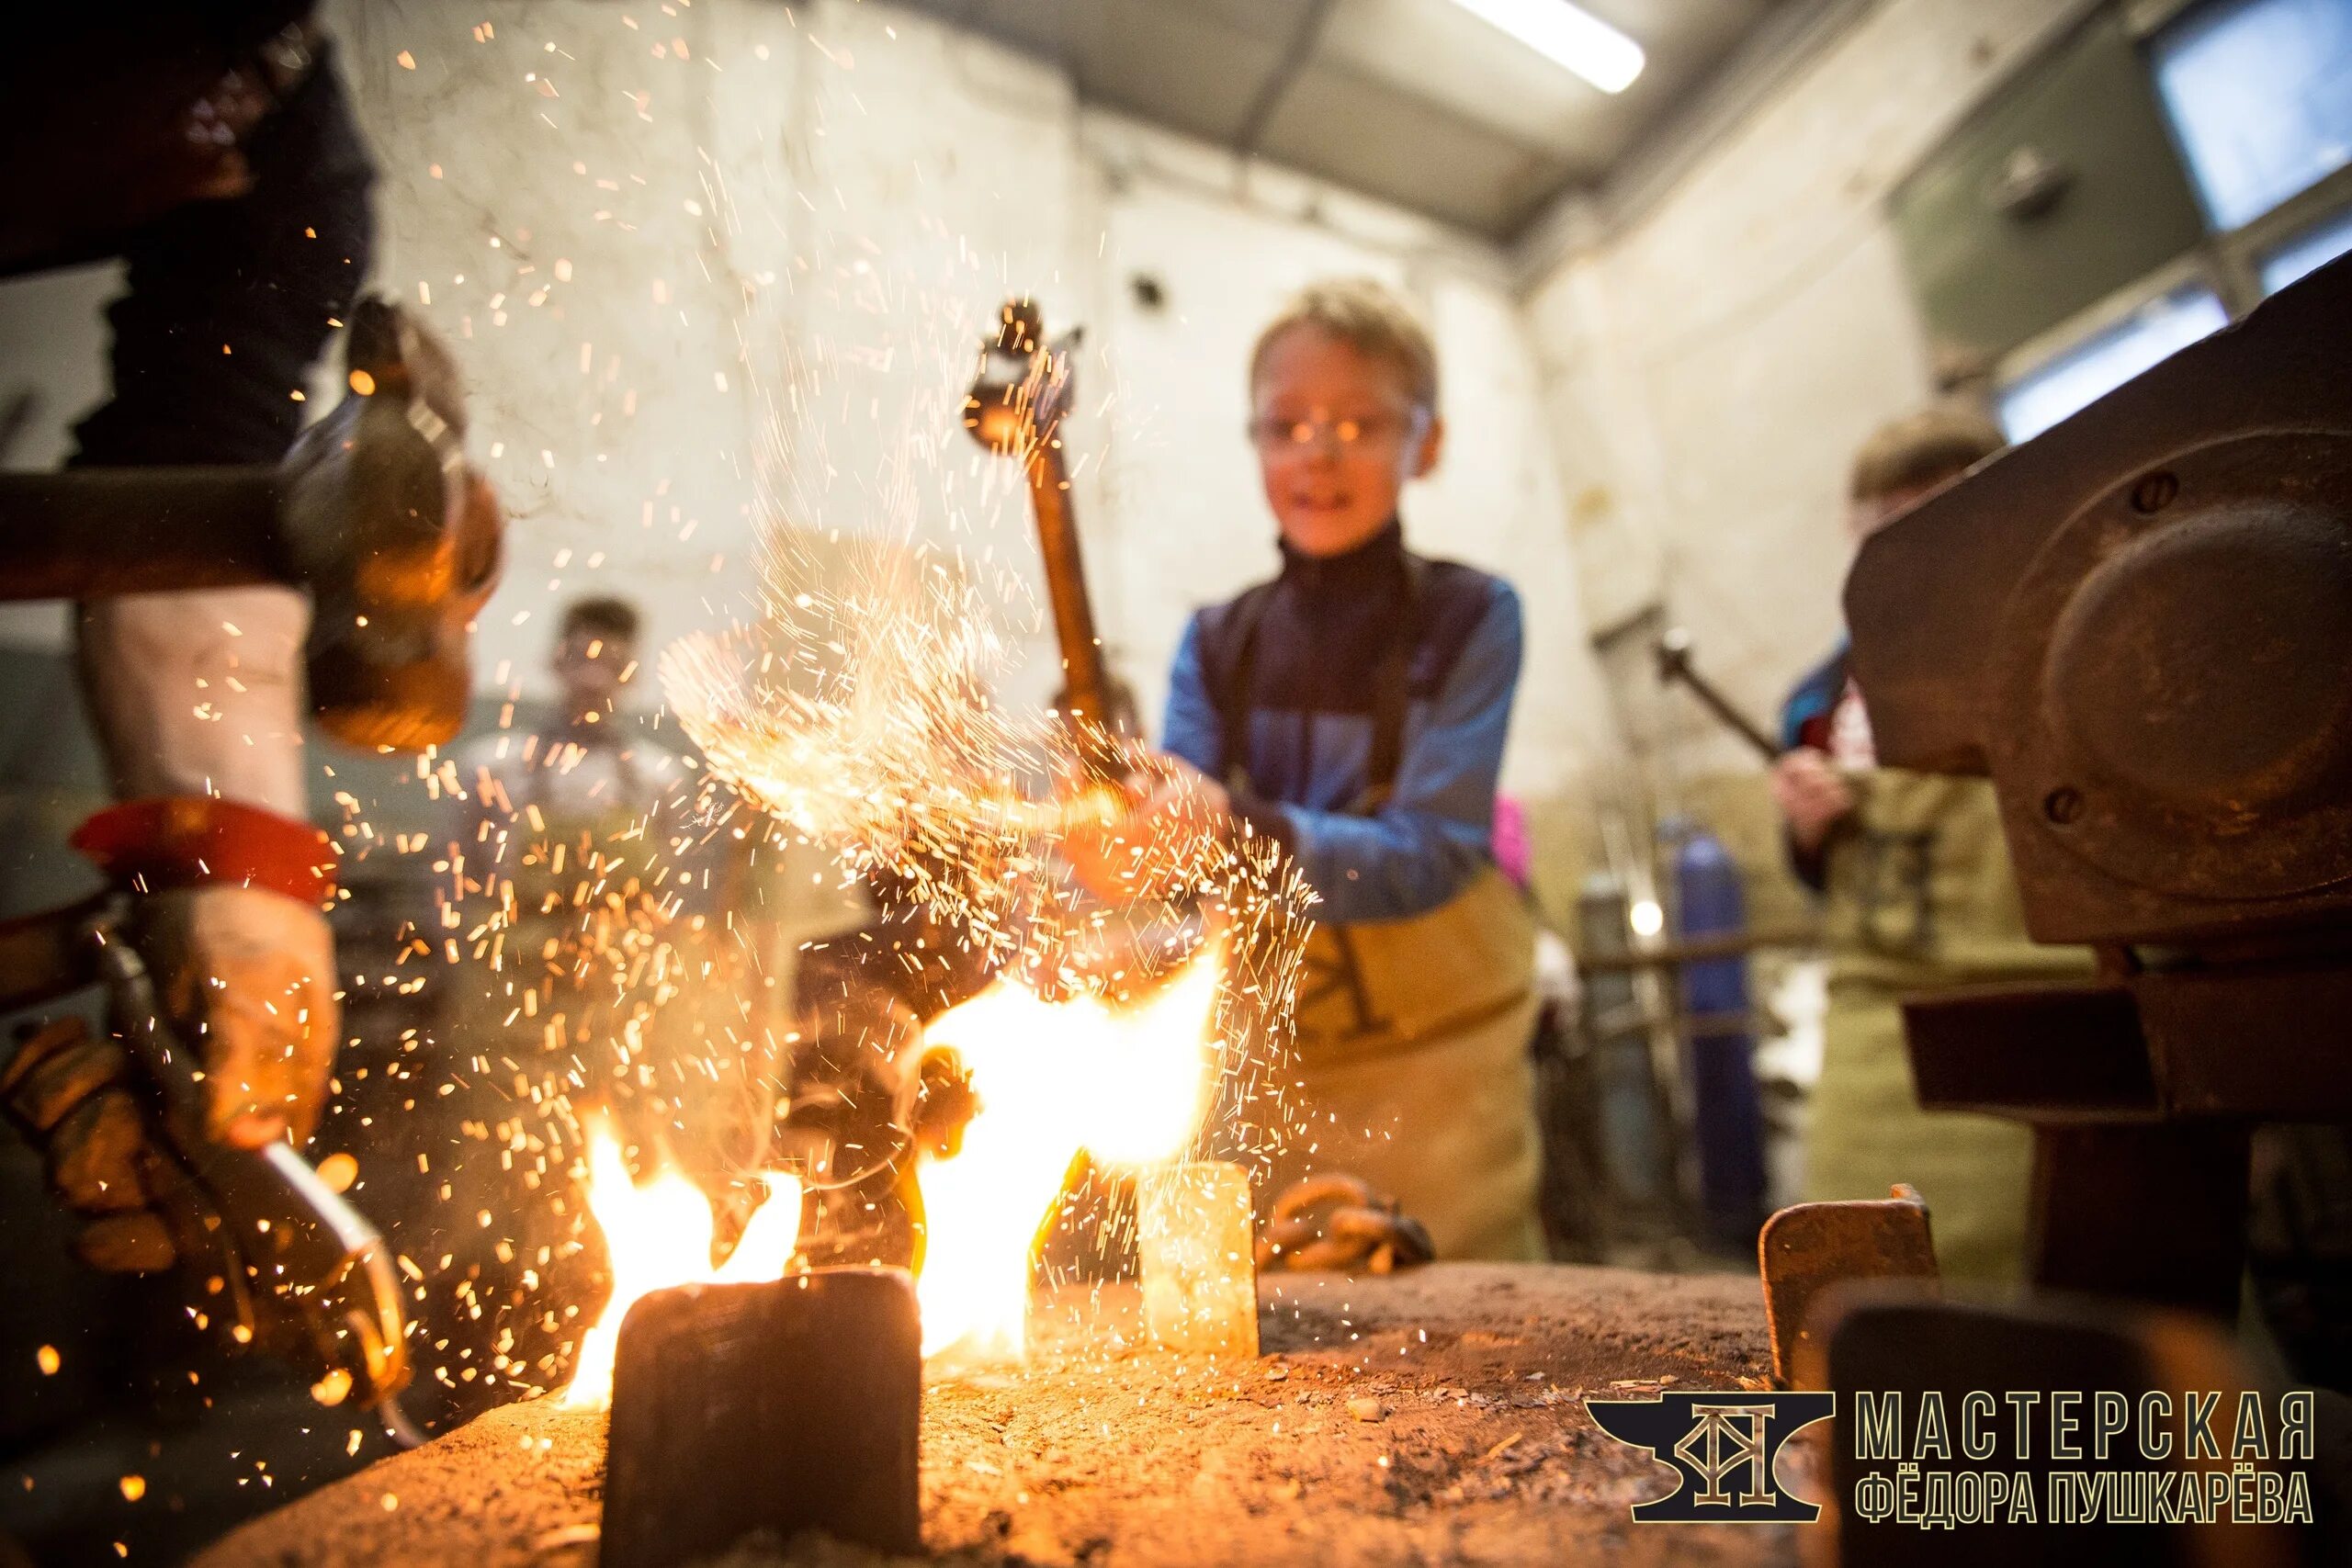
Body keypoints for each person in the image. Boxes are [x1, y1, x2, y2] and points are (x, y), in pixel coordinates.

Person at [0, 5, 378, 1273]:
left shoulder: (282, 147)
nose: (218, 136)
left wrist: (234, 887)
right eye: (192, 92)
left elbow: (191, 471)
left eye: (240, 84)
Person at [1068, 277, 1544, 1262]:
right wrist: (1129, 863)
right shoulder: (1216, 642)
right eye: (1286, 425)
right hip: (1271, 1082)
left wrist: (1226, 824)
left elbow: (1433, 851)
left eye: (1358, 423)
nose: (1317, 452)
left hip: (1444, 1083)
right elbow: (1186, 857)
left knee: (1478, 1340)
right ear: (1255, 443)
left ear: (1428, 442)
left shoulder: (1472, 617)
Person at [1771, 407, 2093, 1282]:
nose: (1922, 548)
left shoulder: (2087, 640)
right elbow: (1817, 879)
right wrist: (1807, 824)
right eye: (1892, 528)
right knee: (1876, 1311)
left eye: (1945, 514)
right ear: (1858, 535)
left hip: (2076, 1036)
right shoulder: (1821, 697)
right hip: (1887, 1051)